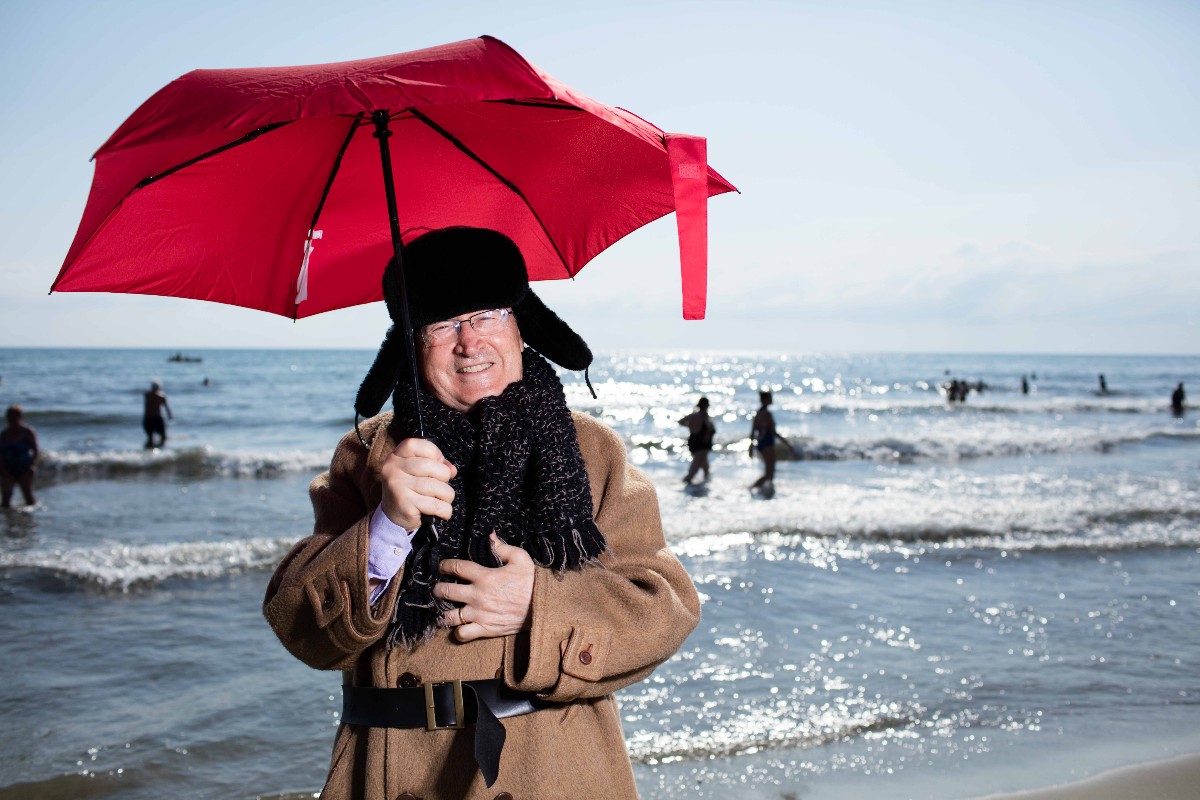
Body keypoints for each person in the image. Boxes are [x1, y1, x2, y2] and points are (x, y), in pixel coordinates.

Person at [263, 228, 700, 799]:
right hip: (390, 771)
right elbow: (300, 630)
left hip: (553, 771)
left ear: (521, 325)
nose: (469, 342)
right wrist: (387, 527)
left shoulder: (593, 452)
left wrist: (536, 605)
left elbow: (665, 607)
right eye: (442, 325)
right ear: (410, 344)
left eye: (487, 315)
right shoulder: (366, 457)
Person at [1, 405, 39, 508]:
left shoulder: (27, 431)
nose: (12, 420)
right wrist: (2, 469)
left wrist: (33, 465)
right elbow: (1, 454)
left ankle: (31, 515)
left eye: (15, 417)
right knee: (5, 499)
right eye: (10, 417)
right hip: (8, 469)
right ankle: (7, 516)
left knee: (28, 496)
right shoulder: (4, 434)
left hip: (24, 467)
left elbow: (35, 450)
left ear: (20, 417)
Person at [678, 396, 715, 485]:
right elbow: (710, 430)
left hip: (693, 441)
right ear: (706, 406)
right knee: (695, 467)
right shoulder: (705, 417)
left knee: (704, 465)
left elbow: (681, 421)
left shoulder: (693, 416)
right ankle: (685, 483)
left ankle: (705, 484)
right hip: (702, 444)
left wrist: (689, 425)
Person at [749, 390, 777, 492]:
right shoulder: (766, 414)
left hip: (761, 443)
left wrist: (751, 447)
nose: (772, 399)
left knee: (769, 471)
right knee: (770, 472)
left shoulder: (758, 413)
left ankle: (765, 489)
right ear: (765, 399)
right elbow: (773, 431)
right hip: (767, 443)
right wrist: (786, 443)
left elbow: (753, 432)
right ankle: (754, 488)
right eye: (770, 397)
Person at [142, 381, 173, 448]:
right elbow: (167, 408)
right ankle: (159, 450)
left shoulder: (147, 395)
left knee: (150, 438)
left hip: (147, 419)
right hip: (157, 418)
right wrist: (170, 415)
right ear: (159, 388)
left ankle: (149, 451)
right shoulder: (161, 397)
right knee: (163, 437)